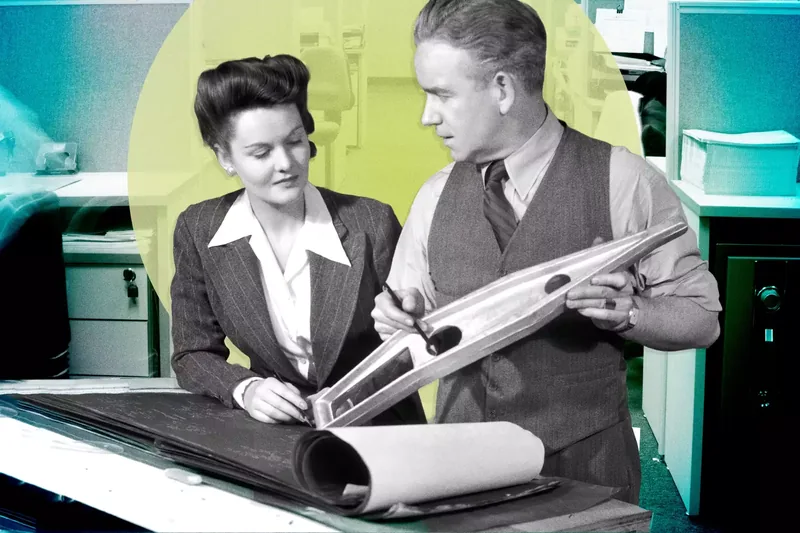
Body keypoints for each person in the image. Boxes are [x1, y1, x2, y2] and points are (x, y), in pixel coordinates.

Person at [371, 0, 721, 504]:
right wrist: (400, 319)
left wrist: (632, 312)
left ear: (503, 89)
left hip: (585, 471)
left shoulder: (624, 181)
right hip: (457, 471)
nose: (428, 116)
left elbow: (702, 322)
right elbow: (406, 321)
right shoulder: (435, 194)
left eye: (442, 95)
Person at [171, 54, 425, 426]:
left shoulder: (371, 222)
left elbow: (412, 345)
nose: (286, 163)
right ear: (225, 157)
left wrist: (353, 389)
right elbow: (191, 353)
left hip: (380, 425)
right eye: (261, 152)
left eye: (295, 142)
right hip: (278, 431)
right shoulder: (200, 228)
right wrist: (247, 388)